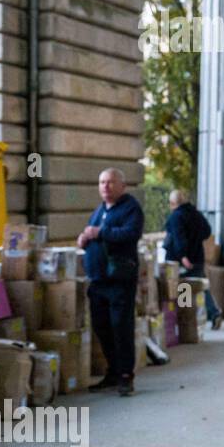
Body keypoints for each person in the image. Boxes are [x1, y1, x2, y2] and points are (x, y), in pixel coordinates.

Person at [77, 168, 145, 397]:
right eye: (102, 182)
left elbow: (130, 234)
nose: (105, 186)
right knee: (101, 327)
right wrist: (84, 239)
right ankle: (113, 371)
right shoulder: (99, 210)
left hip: (119, 280)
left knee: (120, 327)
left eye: (110, 182)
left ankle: (126, 375)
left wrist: (100, 232)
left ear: (122, 186)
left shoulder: (130, 208)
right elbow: (93, 234)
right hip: (98, 281)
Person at [163, 188, 222, 331]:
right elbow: (207, 231)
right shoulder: (196, 214)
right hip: (198, 256)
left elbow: (178, 237)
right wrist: (195, 239)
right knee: (201, 286)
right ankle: (213, 313)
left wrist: (183, 256)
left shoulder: (176, 217)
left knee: (185, 288)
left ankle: (187, 322)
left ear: (173, 203)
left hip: (183, 260)